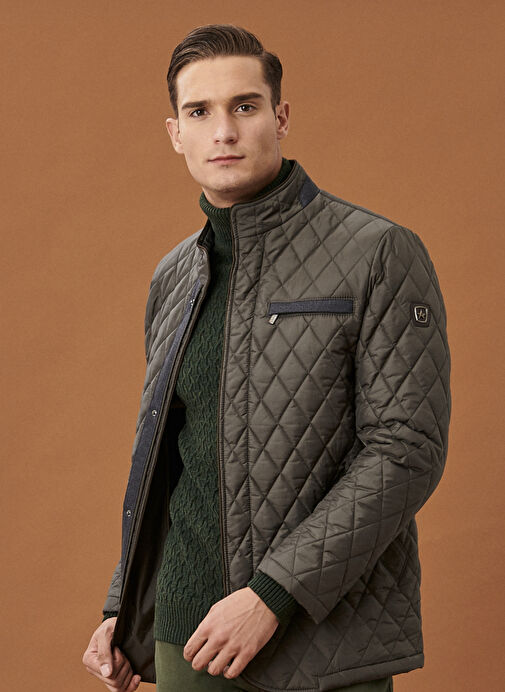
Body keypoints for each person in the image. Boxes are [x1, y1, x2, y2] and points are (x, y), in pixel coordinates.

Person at [82, 23, 451, 692]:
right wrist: (124, 607)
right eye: (200, 112)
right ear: (176, 133)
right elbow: (169, 461)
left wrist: (272, 596)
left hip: (319, 639)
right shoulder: (174, 277)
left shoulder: (378, 253)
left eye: (244, 106)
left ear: (279, 118)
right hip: (185, 640)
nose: (223, 131)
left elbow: (406, 450)